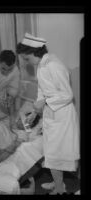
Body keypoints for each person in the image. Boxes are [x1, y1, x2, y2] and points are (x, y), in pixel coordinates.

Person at [16, 33, 80, 194]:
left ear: (34, 52)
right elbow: (42, 91)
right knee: (52, 154)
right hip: (51, 115)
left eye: (26, 58)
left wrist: (44, 103)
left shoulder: (53, 65)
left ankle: (59, 189)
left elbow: (67, 95)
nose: (25, 62)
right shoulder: (42, 64)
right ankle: (57, 182)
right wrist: (35, 112)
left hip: (61, 116)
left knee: (55, 156)